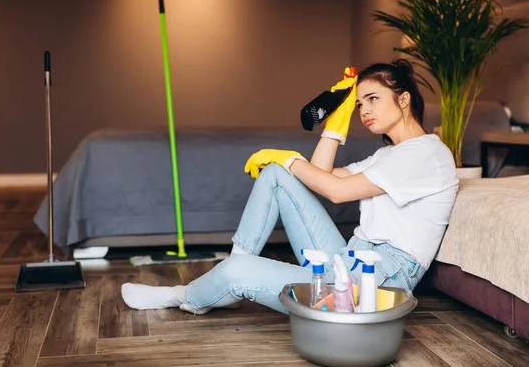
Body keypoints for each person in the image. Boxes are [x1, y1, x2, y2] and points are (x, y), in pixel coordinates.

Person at [121, 59, 459, 315]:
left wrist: (290, 158)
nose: (364, 111)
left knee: (283, 171)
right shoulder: (388, 155)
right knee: (276, 176)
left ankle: (190, 295)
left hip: (377, 283)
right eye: (359, 104)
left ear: (403, 100)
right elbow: (320, 173)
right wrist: (334, 125)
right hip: (349, 260)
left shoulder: (426, 153)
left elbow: (336, 191)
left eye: (372, 99)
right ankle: (233, 276)